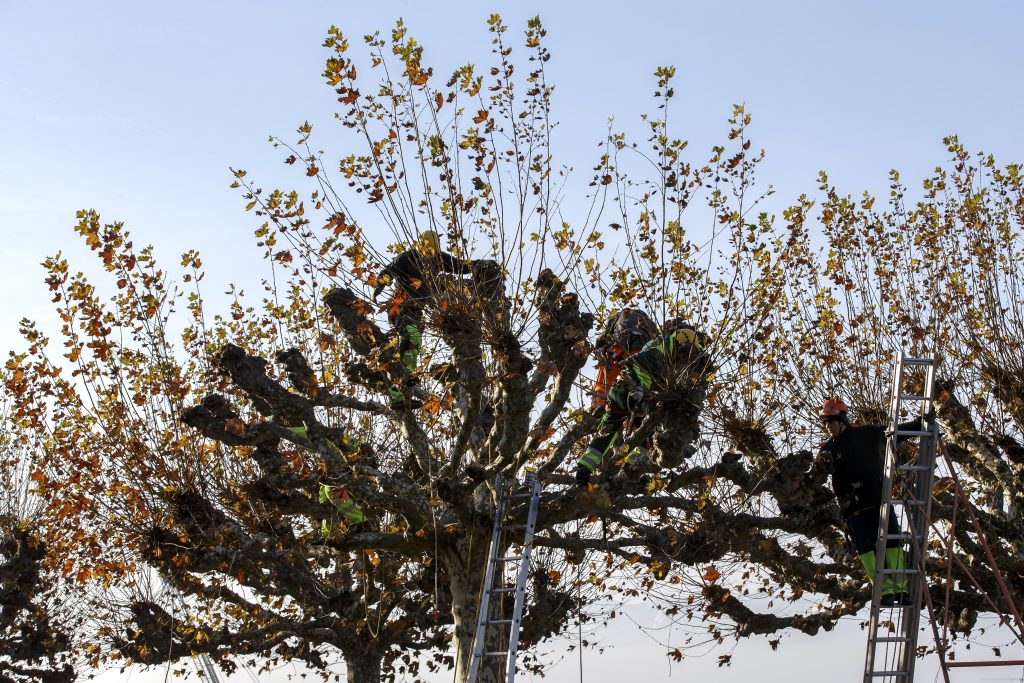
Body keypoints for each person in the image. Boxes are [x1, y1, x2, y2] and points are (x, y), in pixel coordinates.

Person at [818, 398, 932, 607]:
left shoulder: (867, 435)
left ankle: (900, 589)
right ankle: (884, 590)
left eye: (830, 421)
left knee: (892, 542)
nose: (827, 427)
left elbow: (895, 433)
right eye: (824, 423)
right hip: (853, 508)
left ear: (842, 420)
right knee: (865, 548)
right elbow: (816, 476)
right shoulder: (828, 450)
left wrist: (920, 424)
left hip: (877, 499)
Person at [576, 326, 709, 488]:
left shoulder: (658, 345)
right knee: (651, 433)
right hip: (633, 393)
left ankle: (584, 468)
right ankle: (632, 469)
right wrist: (638, 387)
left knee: (608, 429)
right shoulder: (660, 354)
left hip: (618, 391)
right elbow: (636, 362)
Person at [371, 230, 469, 410]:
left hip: (417, 312)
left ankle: (400, 392)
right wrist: (380, 285)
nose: (429, 255)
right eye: (427, 250)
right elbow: (389, 271)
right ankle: (397, 392)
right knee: (412, 337)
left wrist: (482, 266)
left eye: (432, 250)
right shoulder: (408, 257)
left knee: (413, 346)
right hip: (400, 308)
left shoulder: (439, 258)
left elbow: (462, 266)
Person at [590, 308, 658, 412]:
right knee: (637, 382)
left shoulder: (618, 316)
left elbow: (601, 340)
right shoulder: (650, 324)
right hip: (640, 353)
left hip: (619, 349)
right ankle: (634, 408)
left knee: (604, 381)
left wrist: (599, 351)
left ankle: (599, 406)